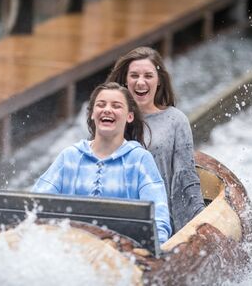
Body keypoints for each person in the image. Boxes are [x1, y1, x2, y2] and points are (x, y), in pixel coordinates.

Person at [32, 82, 172, 244]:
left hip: (123, 253)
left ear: (130, 116)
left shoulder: (140, 159)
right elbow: (36, 206)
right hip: (71, 248)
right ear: (92, 114)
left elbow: (158, 217)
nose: (107, 109)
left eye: (116, 106)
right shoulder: (70, 156)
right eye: (101, 105)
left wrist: (157, 251)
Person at [106, 47, 205, 233]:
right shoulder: (109, 118)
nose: (140, 82)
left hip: (160, 222)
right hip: (116, 219)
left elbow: (187, 178)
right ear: (125, 81)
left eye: (148, 76)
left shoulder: (176, 120)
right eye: (134, 75)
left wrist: (199, 225)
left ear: (158, 81)